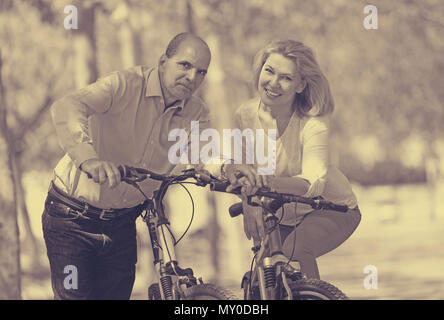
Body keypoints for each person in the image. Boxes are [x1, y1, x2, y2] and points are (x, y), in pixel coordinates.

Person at [42, 32, 226, 300]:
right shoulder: (125, 84)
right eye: (184, 65)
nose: (192, 77)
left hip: (122, 225)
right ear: (163, 61)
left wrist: (227, 169)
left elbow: (205, 155)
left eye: (201, 72)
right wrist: (89, 158)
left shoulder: (196, 112)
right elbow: (68, 106)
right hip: (70, 218)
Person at [228, 39, 361, 280]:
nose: (273, 83)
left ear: (300, 85)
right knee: (263, 280)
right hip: (279, 213)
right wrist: (249, 204)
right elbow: (243, 173)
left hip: (330, 207)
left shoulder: (313, 123)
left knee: (295, 252)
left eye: (286, 78)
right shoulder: (244, 115)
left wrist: (267, 183)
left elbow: (313, 183)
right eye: (269, 71)